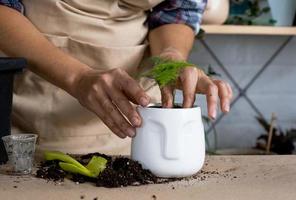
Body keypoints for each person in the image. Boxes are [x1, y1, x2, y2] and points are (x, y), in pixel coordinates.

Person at [0, 0, 232, 155]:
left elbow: (176, 12)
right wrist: (78, 77)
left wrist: (170, 57)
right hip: (34, 119)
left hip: (135, 131)